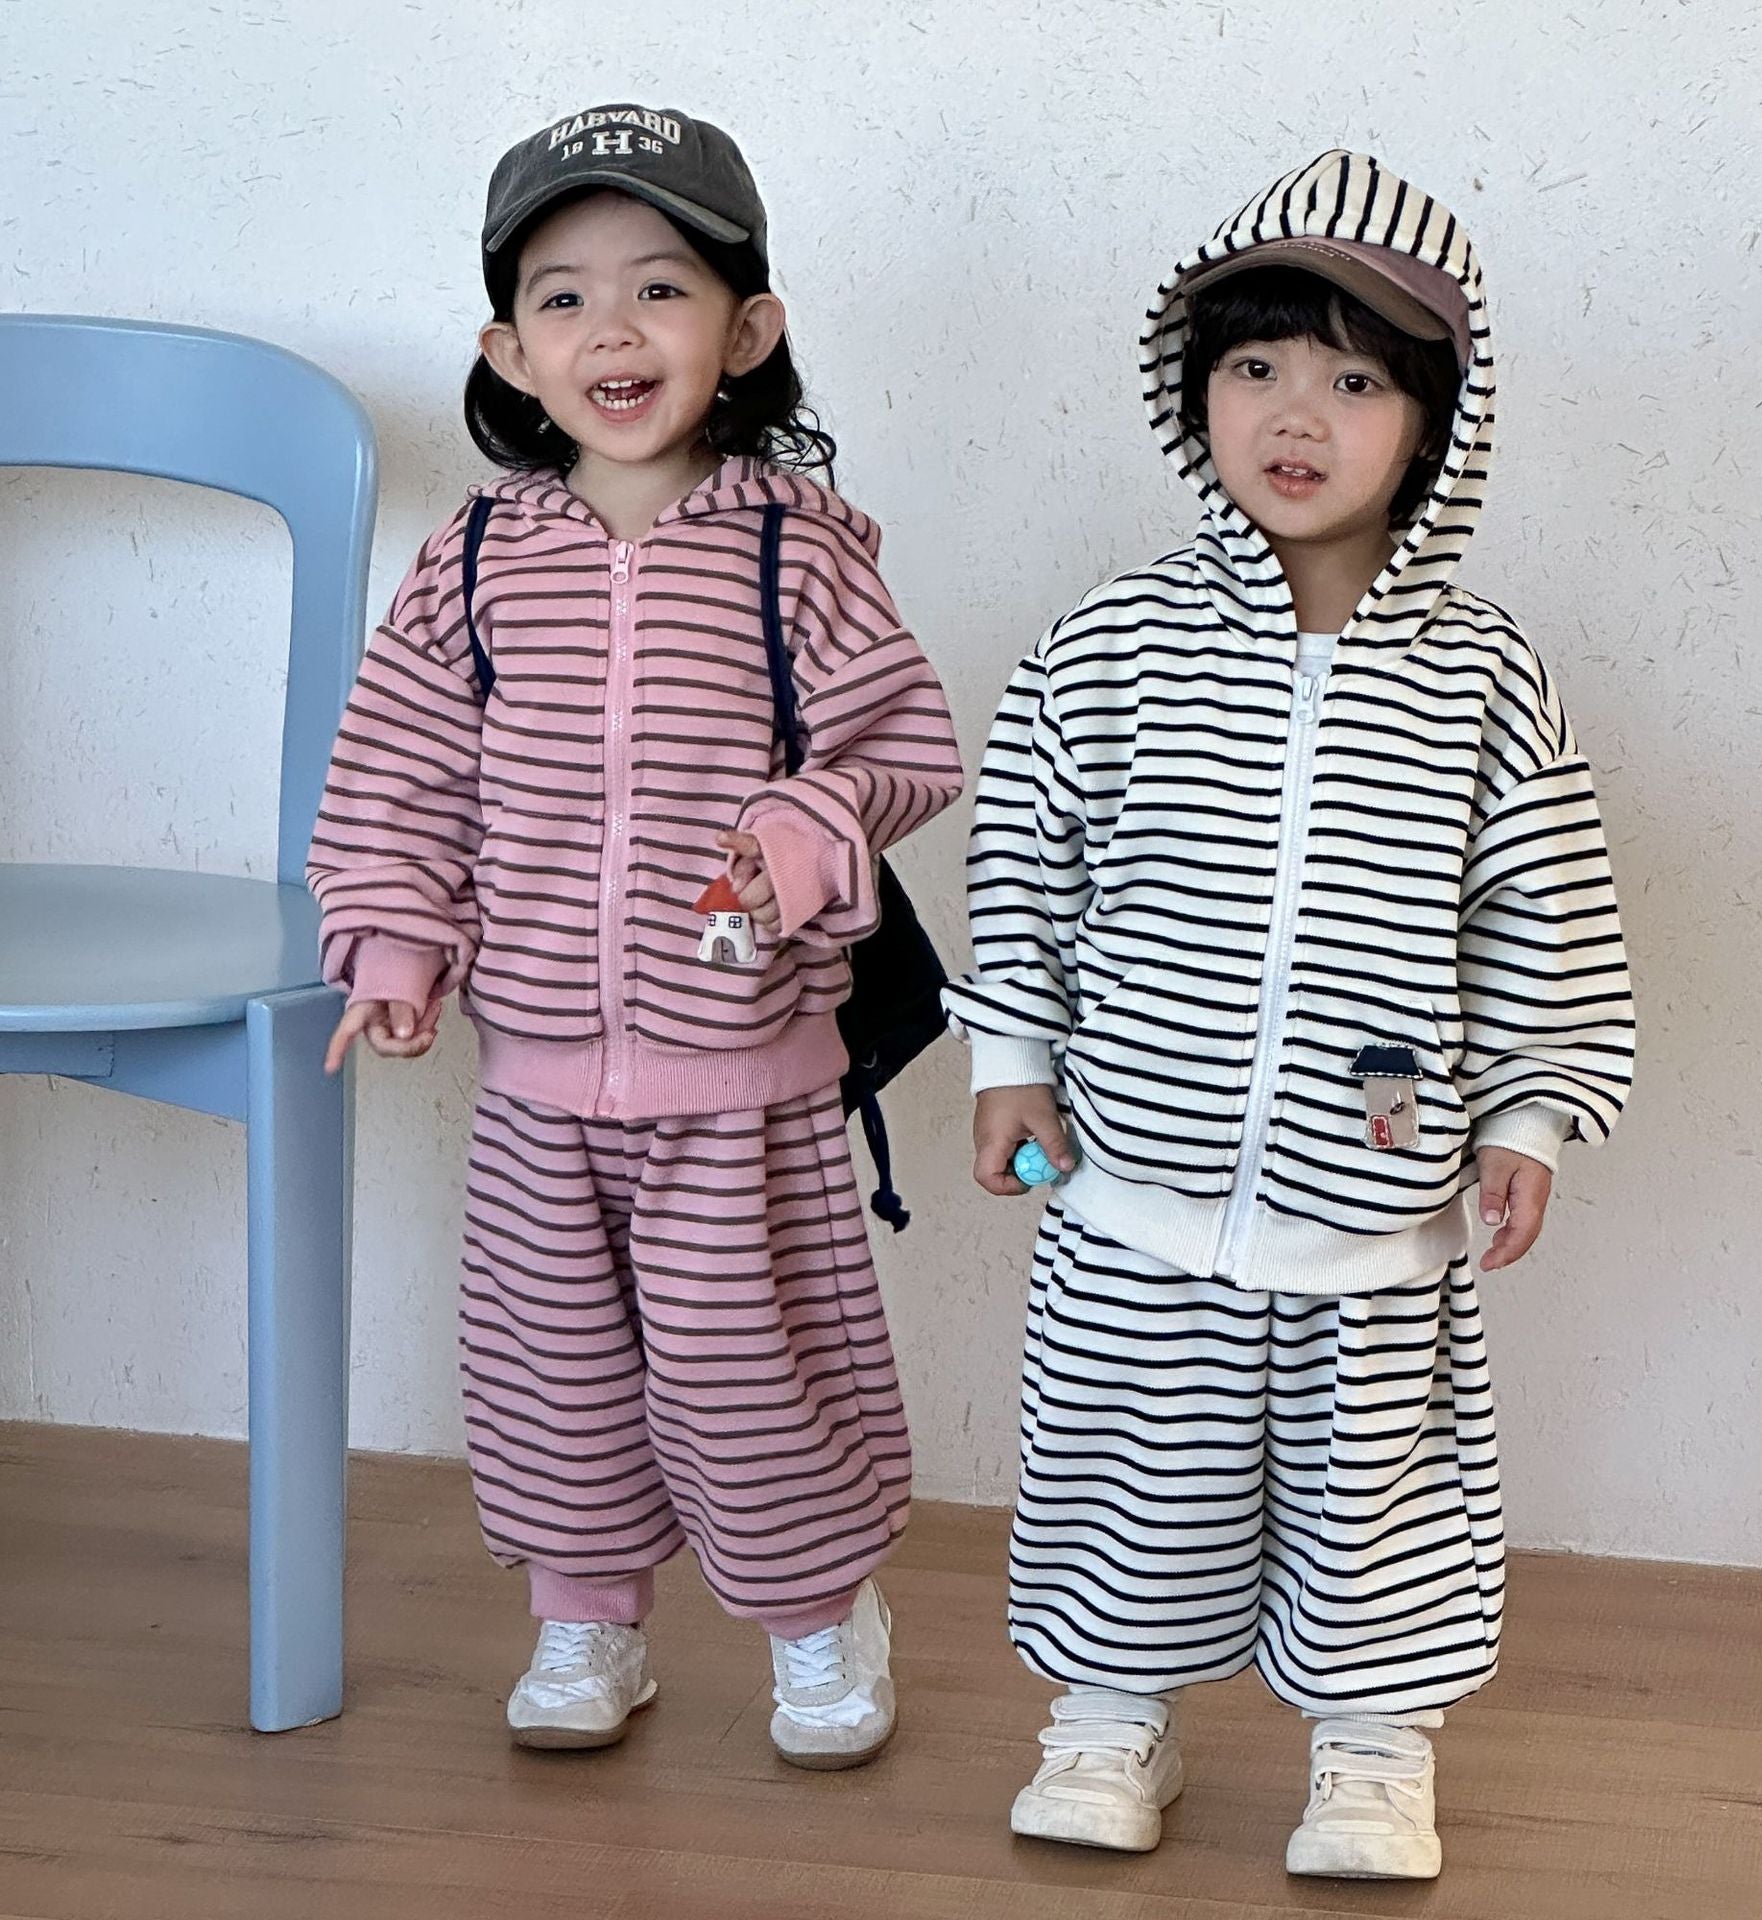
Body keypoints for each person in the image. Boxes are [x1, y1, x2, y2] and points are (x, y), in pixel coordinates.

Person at [945, 149, 1634, 1880]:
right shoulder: (1108, 644)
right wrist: (1010, 1061)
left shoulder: (1485, 674)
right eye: (1253, 366)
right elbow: (1027, 866)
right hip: (1134, 1184)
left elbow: (1542, 915)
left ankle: (1375, 1752)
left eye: (1354, 380)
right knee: (1129, 1468)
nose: (1295, 414)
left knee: (1375, 1501)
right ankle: (1110, 1719)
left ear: (1438, 425)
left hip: (1374, 1197)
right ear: (1195, 396)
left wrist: (1531, 1117)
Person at [309, 102, 961, 1769]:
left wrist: (813, 821)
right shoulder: (470, 562)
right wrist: (394, 941)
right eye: (564, 296)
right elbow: (398, 769)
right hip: (537, 1074)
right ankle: (586, 1616)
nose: (613, 329)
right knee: (557, 1372)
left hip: (745, 1073)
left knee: (753, 1371)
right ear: (509, 351)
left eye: (660, 288)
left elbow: (906, 746)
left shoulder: (796, 553)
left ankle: (818, 1620)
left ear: (746, 332)